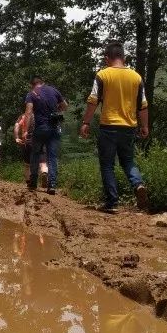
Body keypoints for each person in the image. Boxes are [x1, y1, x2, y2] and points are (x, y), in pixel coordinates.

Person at [79, 41, 150, 214]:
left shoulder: (103, 75)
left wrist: (86, 122)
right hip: (129, 127)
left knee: (107, 164)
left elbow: (93, 100)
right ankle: (138, 184)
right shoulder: (136, 77)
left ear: (106, 58)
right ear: (123, 58)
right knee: (128, 161)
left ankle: (112, 203)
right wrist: (145, 126)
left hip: (109, 126)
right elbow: (143, 105)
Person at [24, 75, 68, 194]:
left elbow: (28, 112)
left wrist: (25, 130)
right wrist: (56, 109)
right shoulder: (54, 90)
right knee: (52, 157)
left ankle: (33, 182)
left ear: (32, 84)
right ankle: (52, 185)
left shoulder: (32, 93)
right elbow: (65, 106)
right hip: (54, 128)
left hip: (40, 129)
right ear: (42, 82)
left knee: (35, 154)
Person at [13, 109, 33, 184]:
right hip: (39, 141)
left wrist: (17, 138)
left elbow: (16, 126)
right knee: (40, 161)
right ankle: (37, 178)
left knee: (27, 164)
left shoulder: (23, 116)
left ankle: (28, 180)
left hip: (27, 141)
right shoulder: (39, 116)